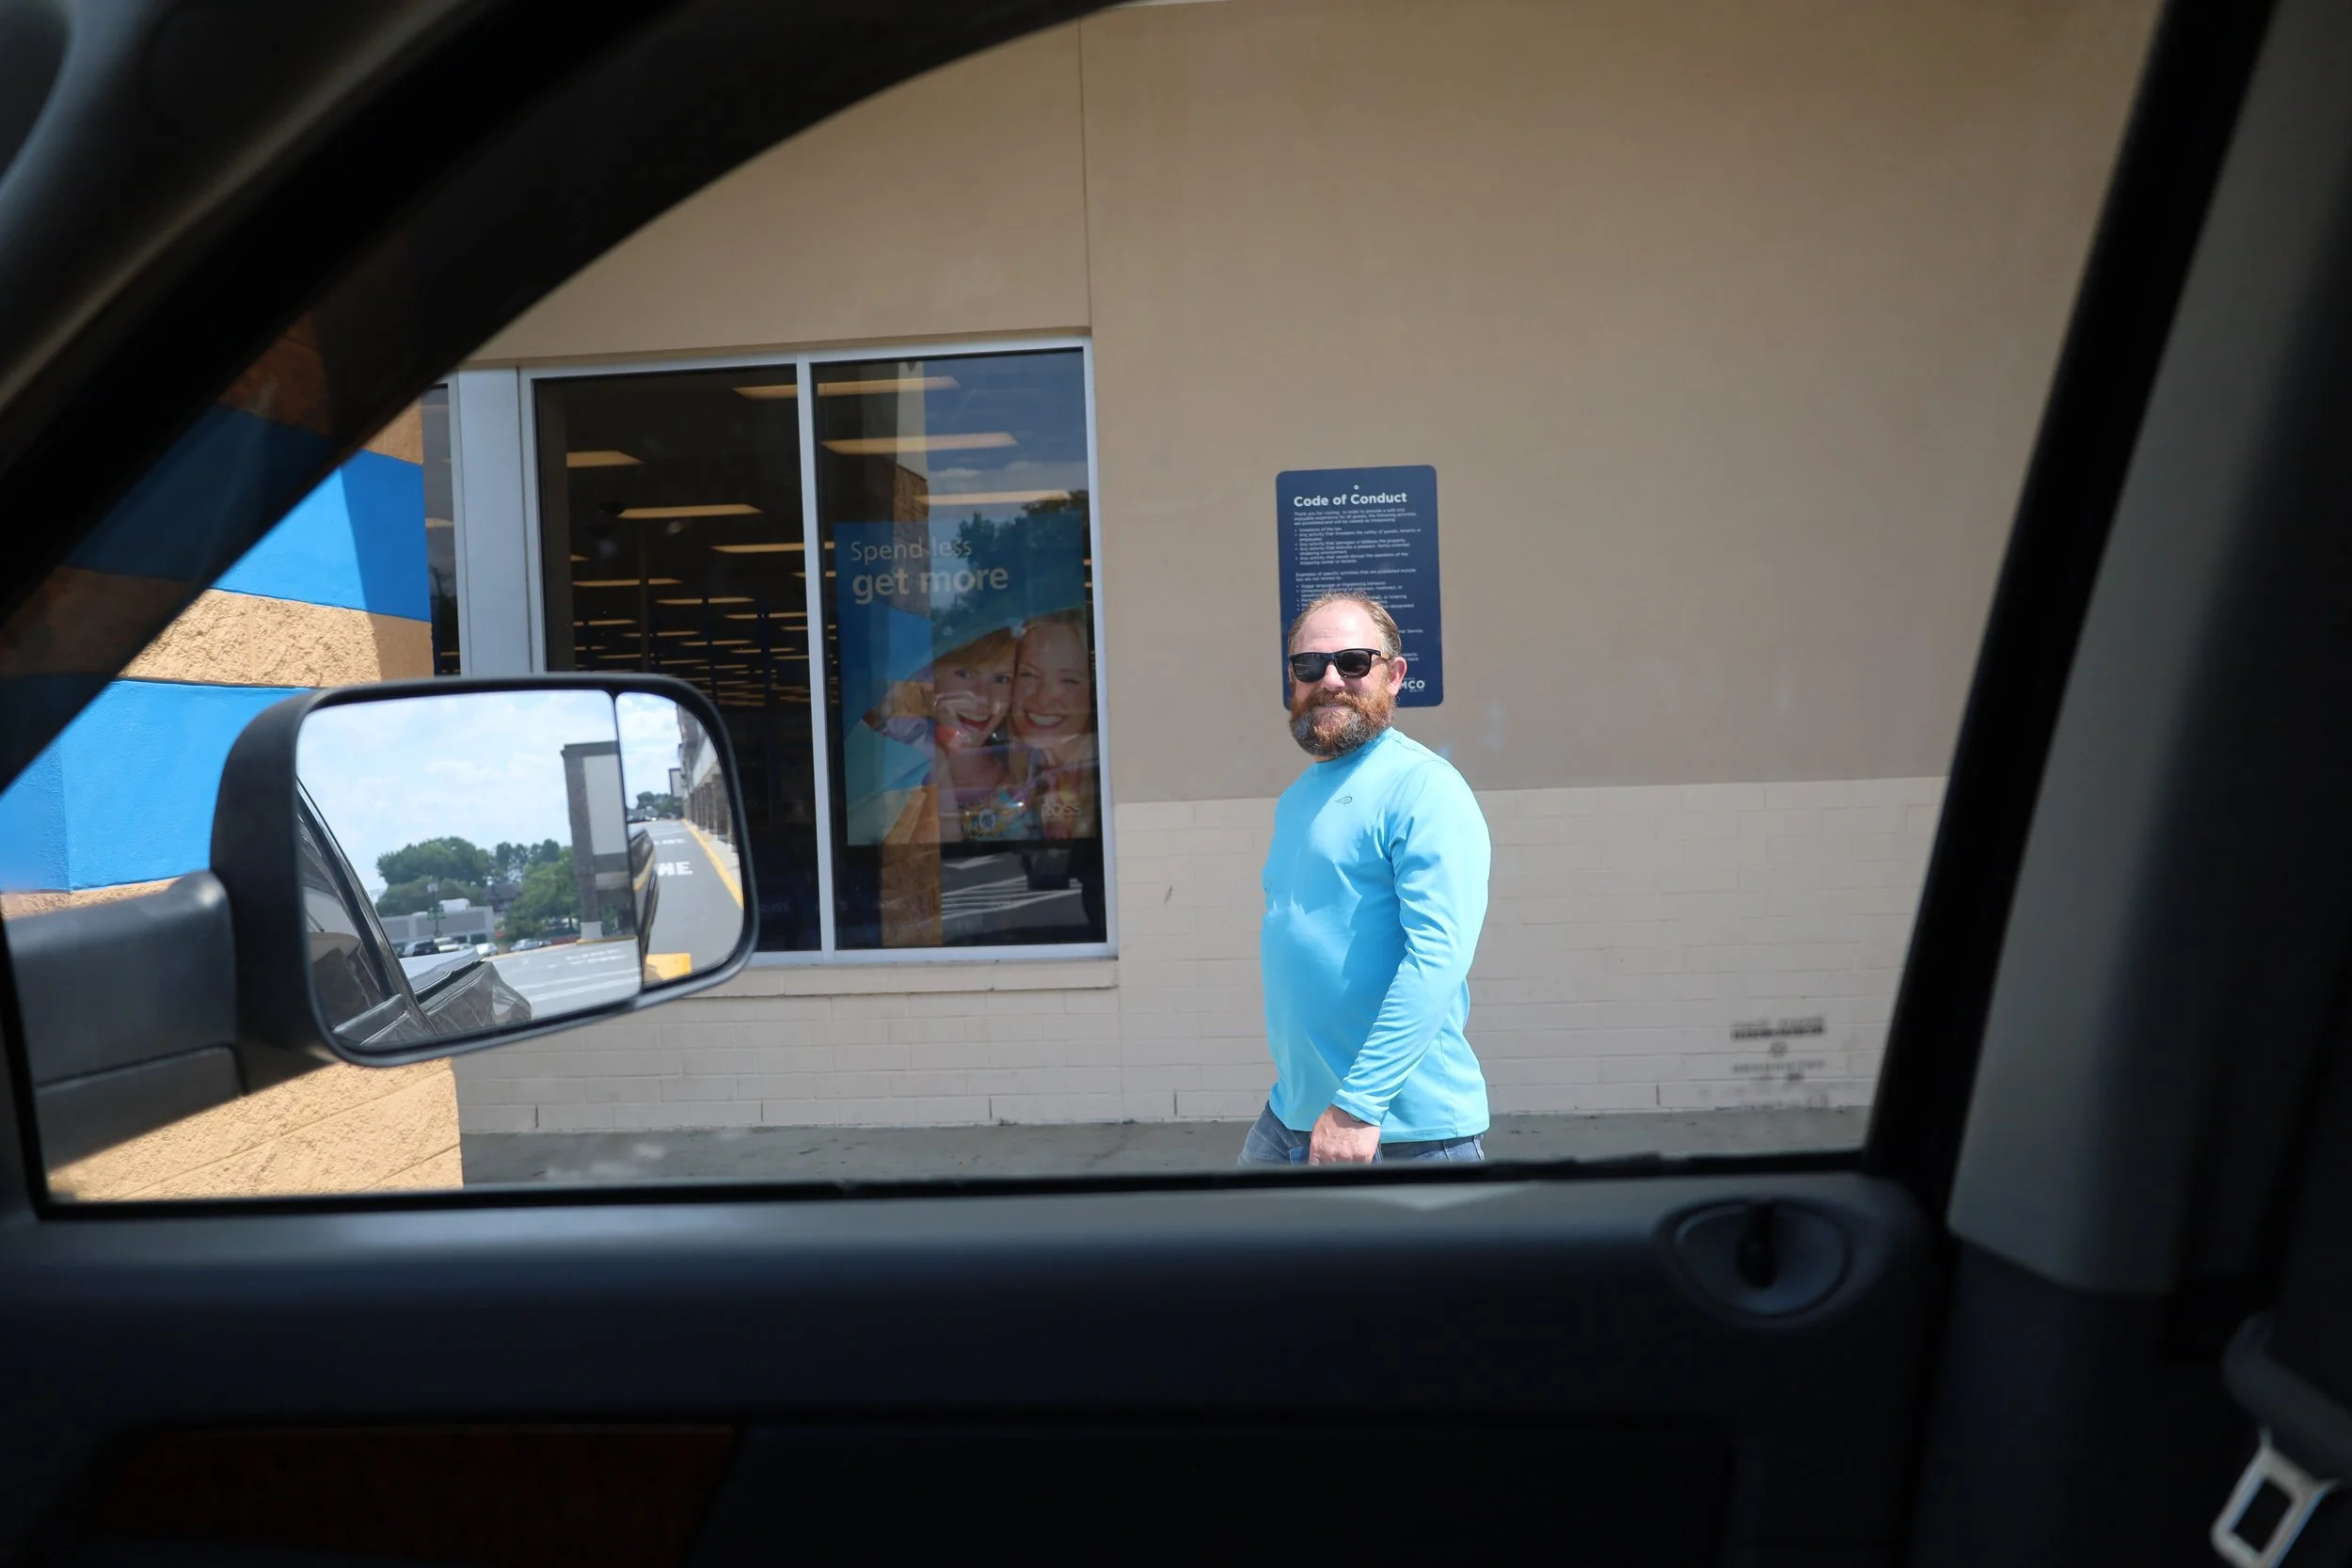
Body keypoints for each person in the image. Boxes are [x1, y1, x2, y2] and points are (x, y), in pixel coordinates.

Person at [1242, 591, 1492, 1165]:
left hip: (1398, 1135)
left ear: (1395, 674)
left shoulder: (1424, 786)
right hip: (1294, 1117)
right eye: (1310, 665)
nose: (1329, 679)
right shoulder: (1297, 798)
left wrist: (1358, 1106)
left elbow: (1439, 956)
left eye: (1353, 662)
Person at [1007, 610, 1100, 841]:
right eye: (1029, 675)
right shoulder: (1006, 772)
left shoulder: (1107, 772)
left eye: (1069, 680)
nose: (1044, 698)